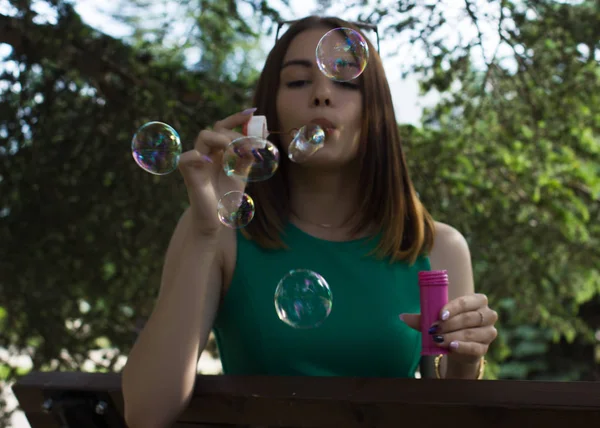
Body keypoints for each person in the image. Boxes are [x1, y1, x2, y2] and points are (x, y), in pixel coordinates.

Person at [122, 15, 499, 428]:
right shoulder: (219, 233)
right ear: (268, 111)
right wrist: (204, 232)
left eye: (346, 82)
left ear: (376, 111)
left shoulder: (435, 247)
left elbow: (449, 413)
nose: (321, 94)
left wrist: (467, 362)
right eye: (299, 82)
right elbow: (145, 412)